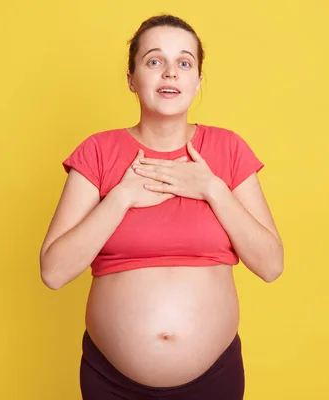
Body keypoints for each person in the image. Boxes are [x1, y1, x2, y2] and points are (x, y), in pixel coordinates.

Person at [39, 14, 284, 400]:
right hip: (112, 383)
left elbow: (271, 265)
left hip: (213, 380)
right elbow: (53, 271)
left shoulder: (228, 149)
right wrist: (121, 198)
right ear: (131, 78)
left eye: (184, 63)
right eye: (154, 61)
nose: (170, 73)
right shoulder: (99, 152)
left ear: (198, 80)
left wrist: (213, 189)